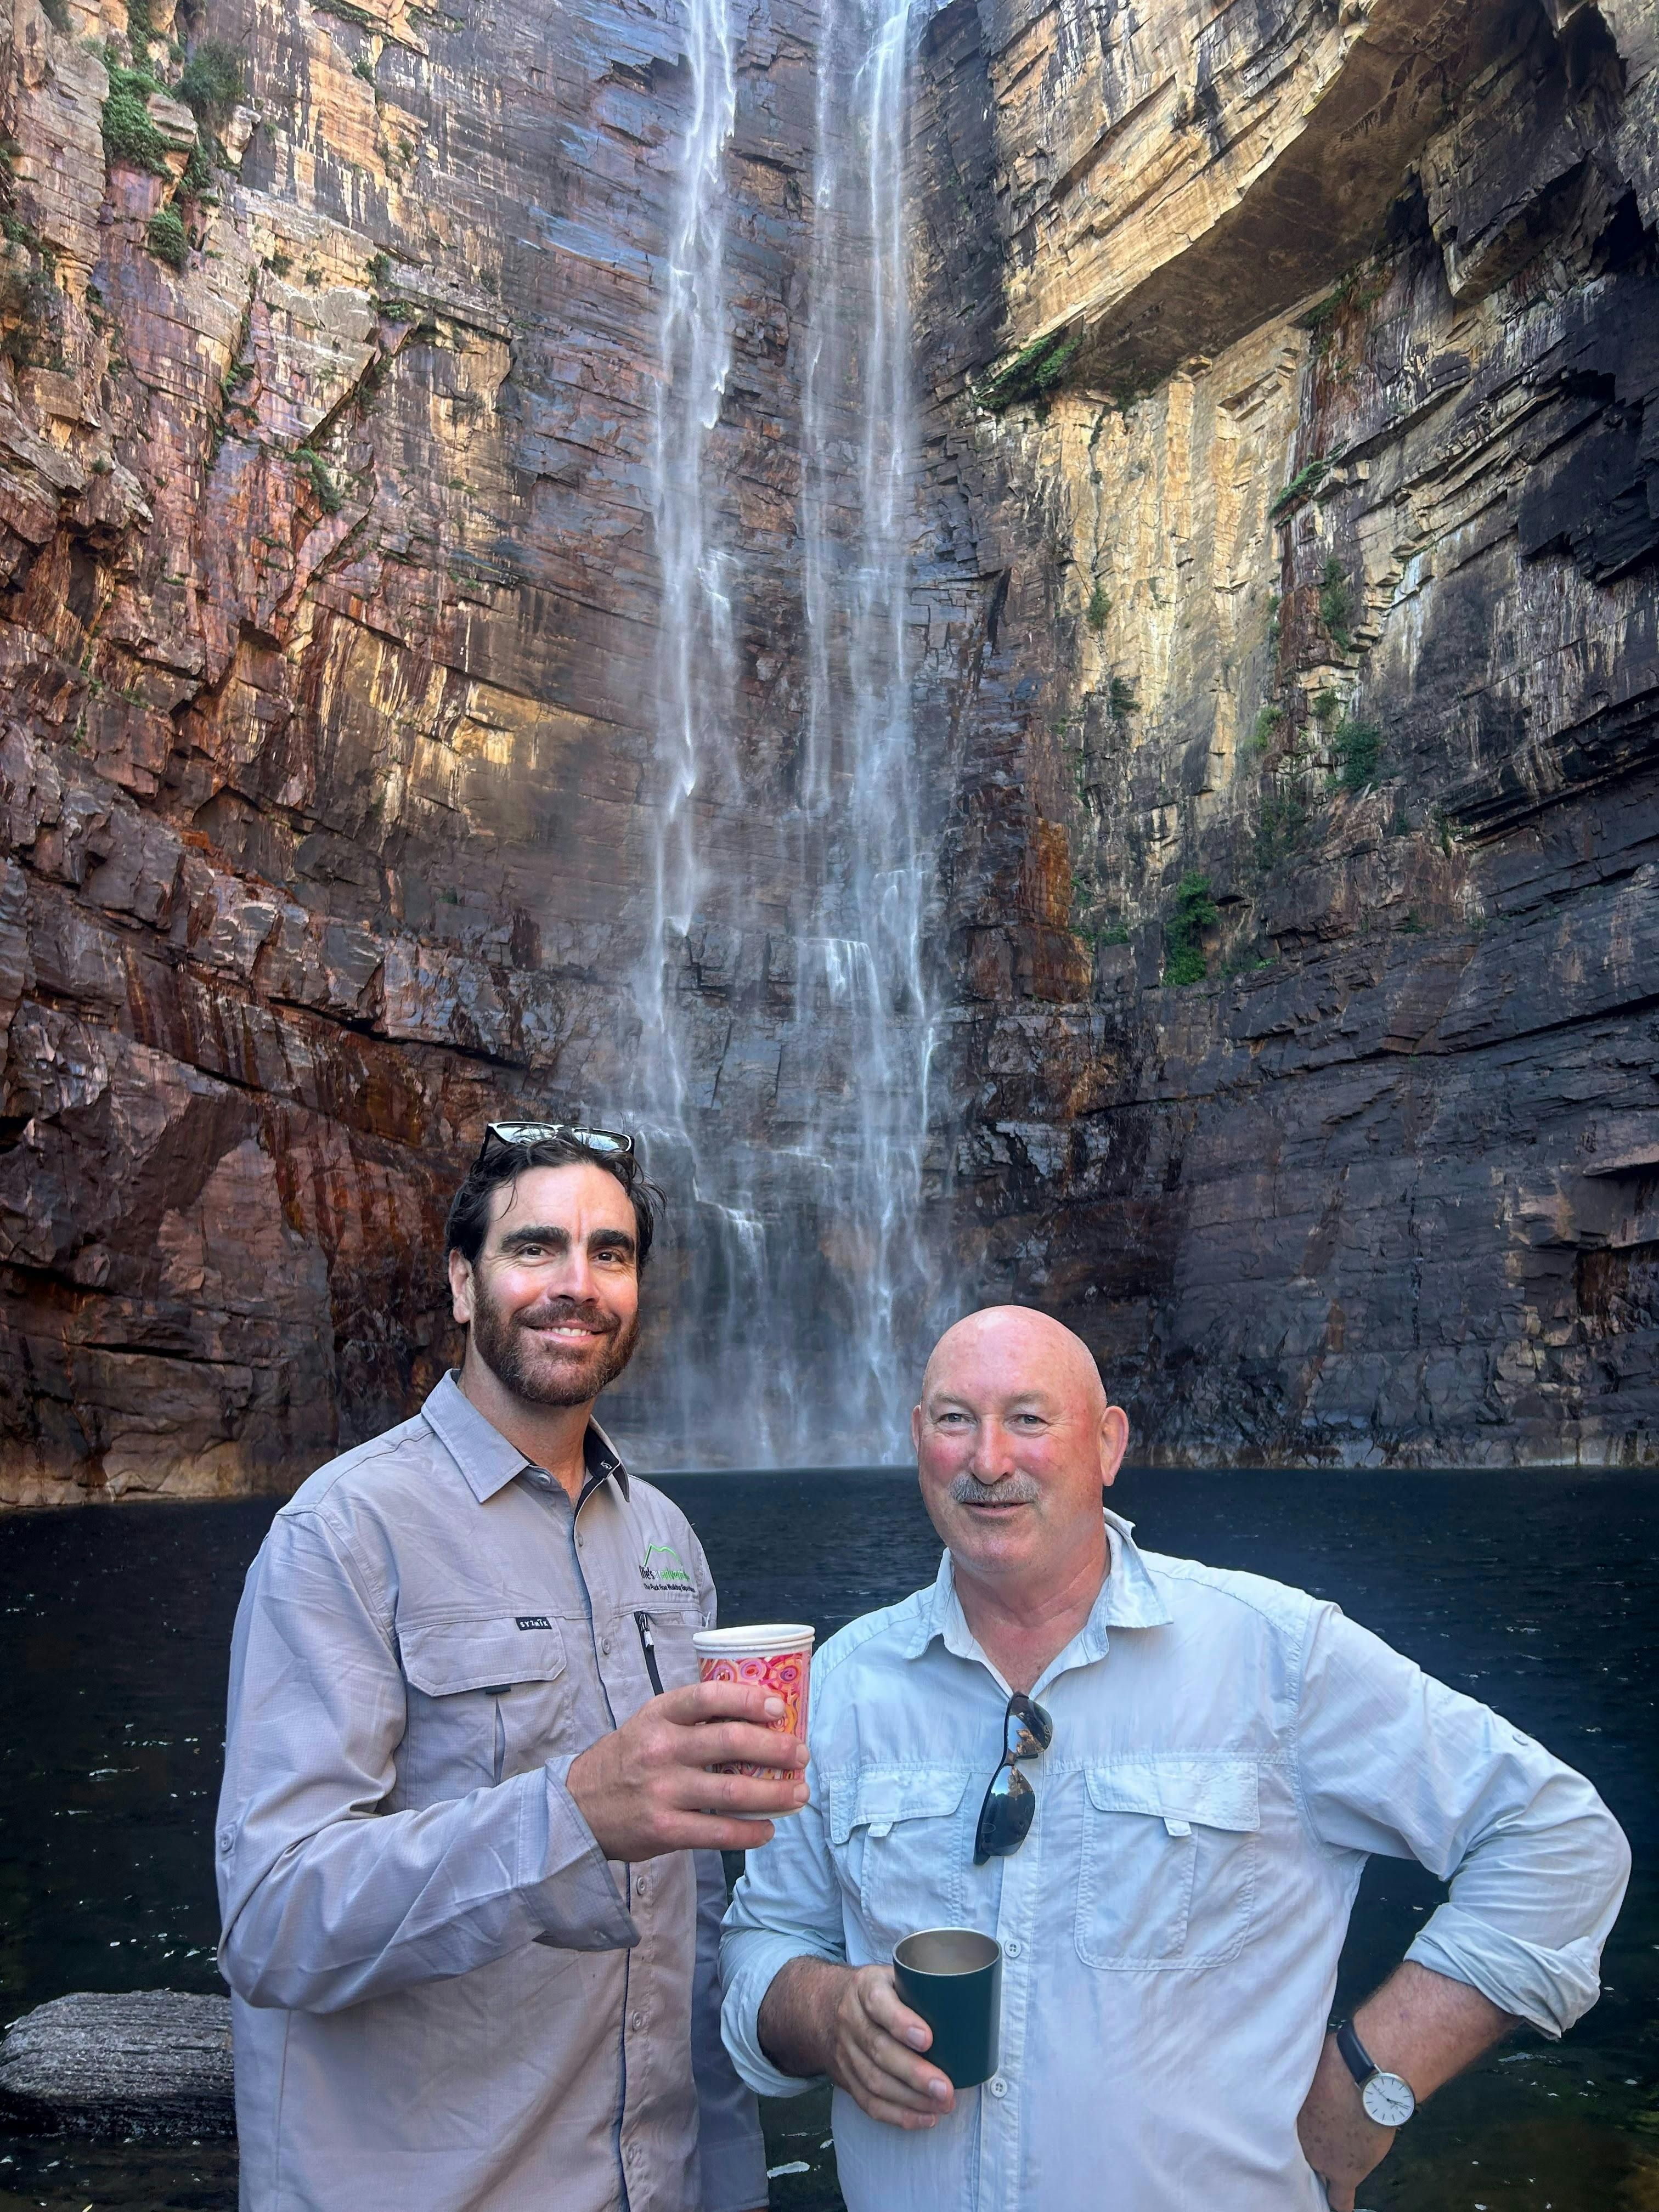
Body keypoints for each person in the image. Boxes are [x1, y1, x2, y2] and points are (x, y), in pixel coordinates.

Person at [719, 1305, 1631, 2211]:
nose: (988, 1461)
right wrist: (830, 2015)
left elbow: (1557, 1838)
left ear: (1109, 1445)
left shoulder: (1277, 1654)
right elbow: (763, 1945)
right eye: (956, 1420)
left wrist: (1369, 2080)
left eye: (1030, 1420)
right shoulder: (839, 1686)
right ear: (920, 1438)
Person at [216, 1123, 804, 2212]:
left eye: (612, 1254)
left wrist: (732, 2184)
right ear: (459, 1283)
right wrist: (569, 1815)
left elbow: (695, 1925)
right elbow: (270, 1919)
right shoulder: (346, 1534)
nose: (577, 1286)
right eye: (535, 1248)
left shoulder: (666, 1540)